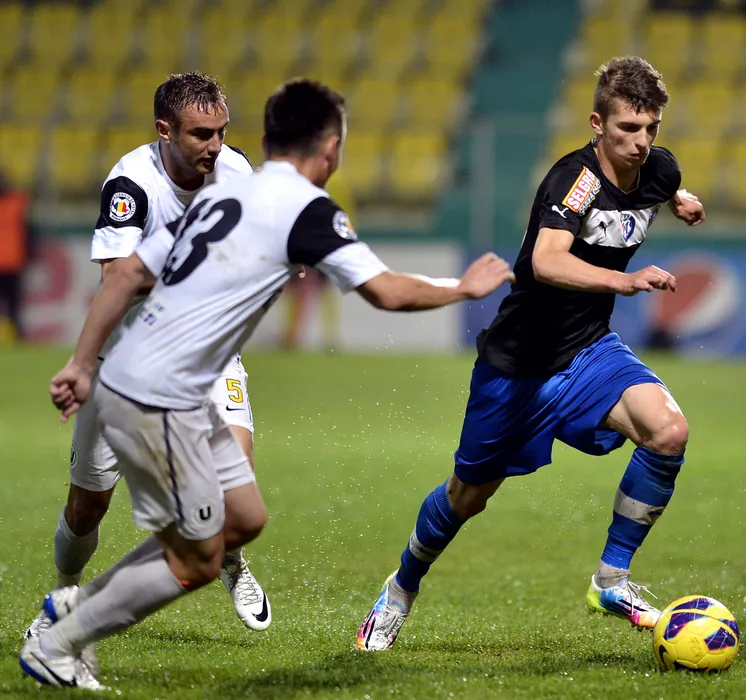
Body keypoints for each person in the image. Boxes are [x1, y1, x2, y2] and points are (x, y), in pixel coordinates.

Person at [21, 78, 513, 689]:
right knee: (197, 558)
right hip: (157, 392)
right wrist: (462, 288)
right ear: (330, 148)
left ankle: (75, 609)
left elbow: (128, 276)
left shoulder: (229, 191)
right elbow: (386, 291)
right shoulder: (302, 209)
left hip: (160, 375)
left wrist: (79, 363)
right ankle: (63, 635)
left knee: (243, 517)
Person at [357, 56, 706, 652]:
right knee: (468, 496)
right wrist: (623, 281)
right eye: (627, 128)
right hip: (517, 366)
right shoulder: (576, 180)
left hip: (589, 351)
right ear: (597, 124)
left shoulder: (658, 168)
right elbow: (546, 261)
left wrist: (682, 200)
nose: (641, 142)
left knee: (669, 431)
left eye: (650, 128)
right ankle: (401, 586)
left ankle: (611, 581)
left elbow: (663, 183)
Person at [23, 73, 274, 641]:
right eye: (201, 134)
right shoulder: (131, 184)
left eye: (222, 131)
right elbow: (117, 276)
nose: (216, 146)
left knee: (235, 484)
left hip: (207, 355)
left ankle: (232, 560)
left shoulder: (235, 172)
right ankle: (65, 593)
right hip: (126, 364)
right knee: (87, 507)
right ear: (165, 130)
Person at [0, 166, 32, 340]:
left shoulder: (17, 202)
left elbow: (28, 232)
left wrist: (28, 254)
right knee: (13, 307)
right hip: (12, 262)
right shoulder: (18, 202)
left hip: (13, 263)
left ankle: (18, 338)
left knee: (14, 308)